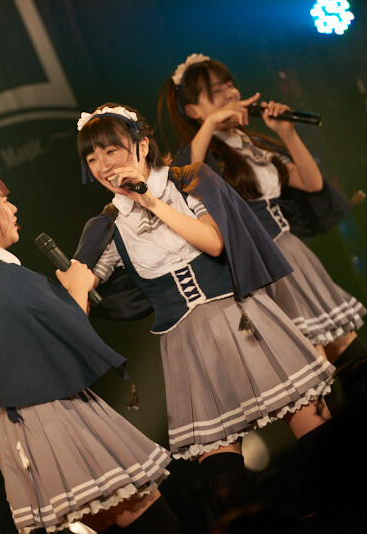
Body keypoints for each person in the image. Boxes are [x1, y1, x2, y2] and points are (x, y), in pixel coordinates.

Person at [73, 103, 334, 516]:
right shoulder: (108, 226)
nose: (103, 165)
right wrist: (77, 285)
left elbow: (214, 242)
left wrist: (151, 202)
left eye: (111, 150)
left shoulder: (190, 180)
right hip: (188, 348)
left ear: (143, 146)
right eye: (92, 158)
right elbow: (82, 285)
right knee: (226, 488)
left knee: (322, 443)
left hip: (242, 320)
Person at [0, 163, 181, 534]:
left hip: (16, 428)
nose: (13, 209)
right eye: (3, 201)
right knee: (148, 514)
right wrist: (78, 287)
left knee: (98, 518)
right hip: (55, 414)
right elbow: (67, 335)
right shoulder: (4, 279)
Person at [159, 53, 367, 370]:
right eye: (216, 91)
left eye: (230, 85)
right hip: (262, 267)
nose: (230, 93)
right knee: (315, 367)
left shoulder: (249, 142)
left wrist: (287, 133)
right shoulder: (203, 155)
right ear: (193, 111)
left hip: (293, 254)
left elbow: (312, 183)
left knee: (351, 351)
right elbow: (186, 175)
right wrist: (212, 122)